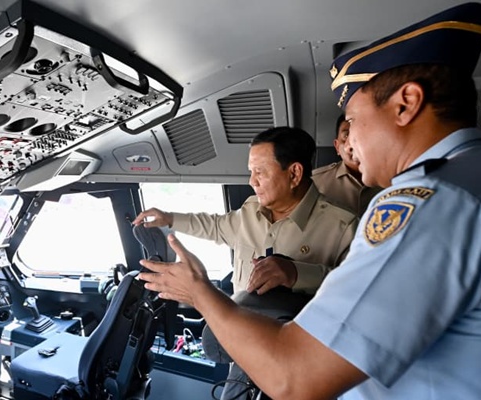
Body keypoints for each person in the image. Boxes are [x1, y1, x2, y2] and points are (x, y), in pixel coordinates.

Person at [138, 3, 481, 399]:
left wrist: (200, 294)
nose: (348, 141)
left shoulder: (432, 205)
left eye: (353, 119)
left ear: (406, 104)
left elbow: (296, 378)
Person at [134, 126, 357, 399]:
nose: (252, 181)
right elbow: (214, 226)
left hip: (299, 360)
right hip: (242, 344)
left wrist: (298, 273)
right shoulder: (251, 211)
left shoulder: (342, 227)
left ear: (294, 173)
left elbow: (355, 297)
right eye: (251, 172)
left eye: (260, 172)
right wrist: (168, 218)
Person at [312, 114, 382, 217]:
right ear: (336, 146)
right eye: (346, 136)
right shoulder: (316, 183)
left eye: (361, 135)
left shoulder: (392, 180)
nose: (353, 144)